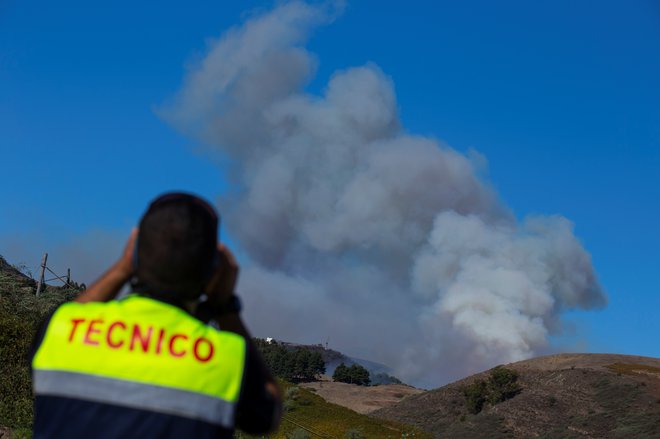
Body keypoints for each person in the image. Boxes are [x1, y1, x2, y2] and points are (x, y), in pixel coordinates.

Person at [30, 192, 281, 438]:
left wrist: (122, 267)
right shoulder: (226, 358)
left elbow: (72, 315)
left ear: (134, 250)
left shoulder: (63, 330)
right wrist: (225, 307)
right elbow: (266, 415)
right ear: (213, 272)